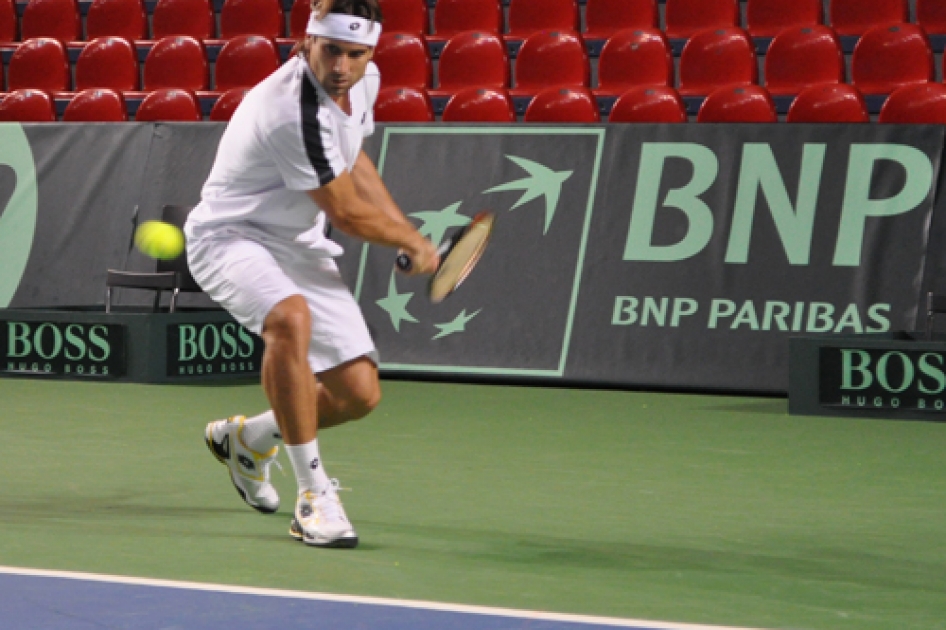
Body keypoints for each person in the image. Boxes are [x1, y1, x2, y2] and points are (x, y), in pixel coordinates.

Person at [184, 0, 439, 549]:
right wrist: (410, 240)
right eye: (331, 51)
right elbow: (344, 213)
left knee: (357, 394)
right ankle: (313, 496)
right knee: (288, 318)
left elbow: (356, 163)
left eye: (356, 54)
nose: (342, 66)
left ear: (371, 52)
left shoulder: (363, 83)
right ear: (305, 43)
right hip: (231, 238)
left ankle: (248, 438)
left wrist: (402, 226)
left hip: (295, 242)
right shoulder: (289, 109)